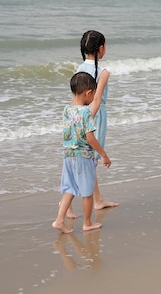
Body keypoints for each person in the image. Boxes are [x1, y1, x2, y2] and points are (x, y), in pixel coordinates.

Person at [65, 30, 118, 218]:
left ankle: (97, 200)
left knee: (84, 159)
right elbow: (95, 100)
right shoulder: (103, 72)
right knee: (89, 160)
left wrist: (76, 118)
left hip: (76, 115)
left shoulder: (79, 69)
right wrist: (87, 119)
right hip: (94, 117)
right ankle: (80, 203)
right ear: (101, 48)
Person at [52, 72, 112, 233]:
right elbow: (90, 138)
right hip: (83, 156)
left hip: (68, 155)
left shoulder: (67, 110)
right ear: (88, 92)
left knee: (69, 188)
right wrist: (104, 155)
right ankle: (87, 223)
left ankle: (59, 220)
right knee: (87, 191)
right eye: (93, 95)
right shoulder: (85, 112)